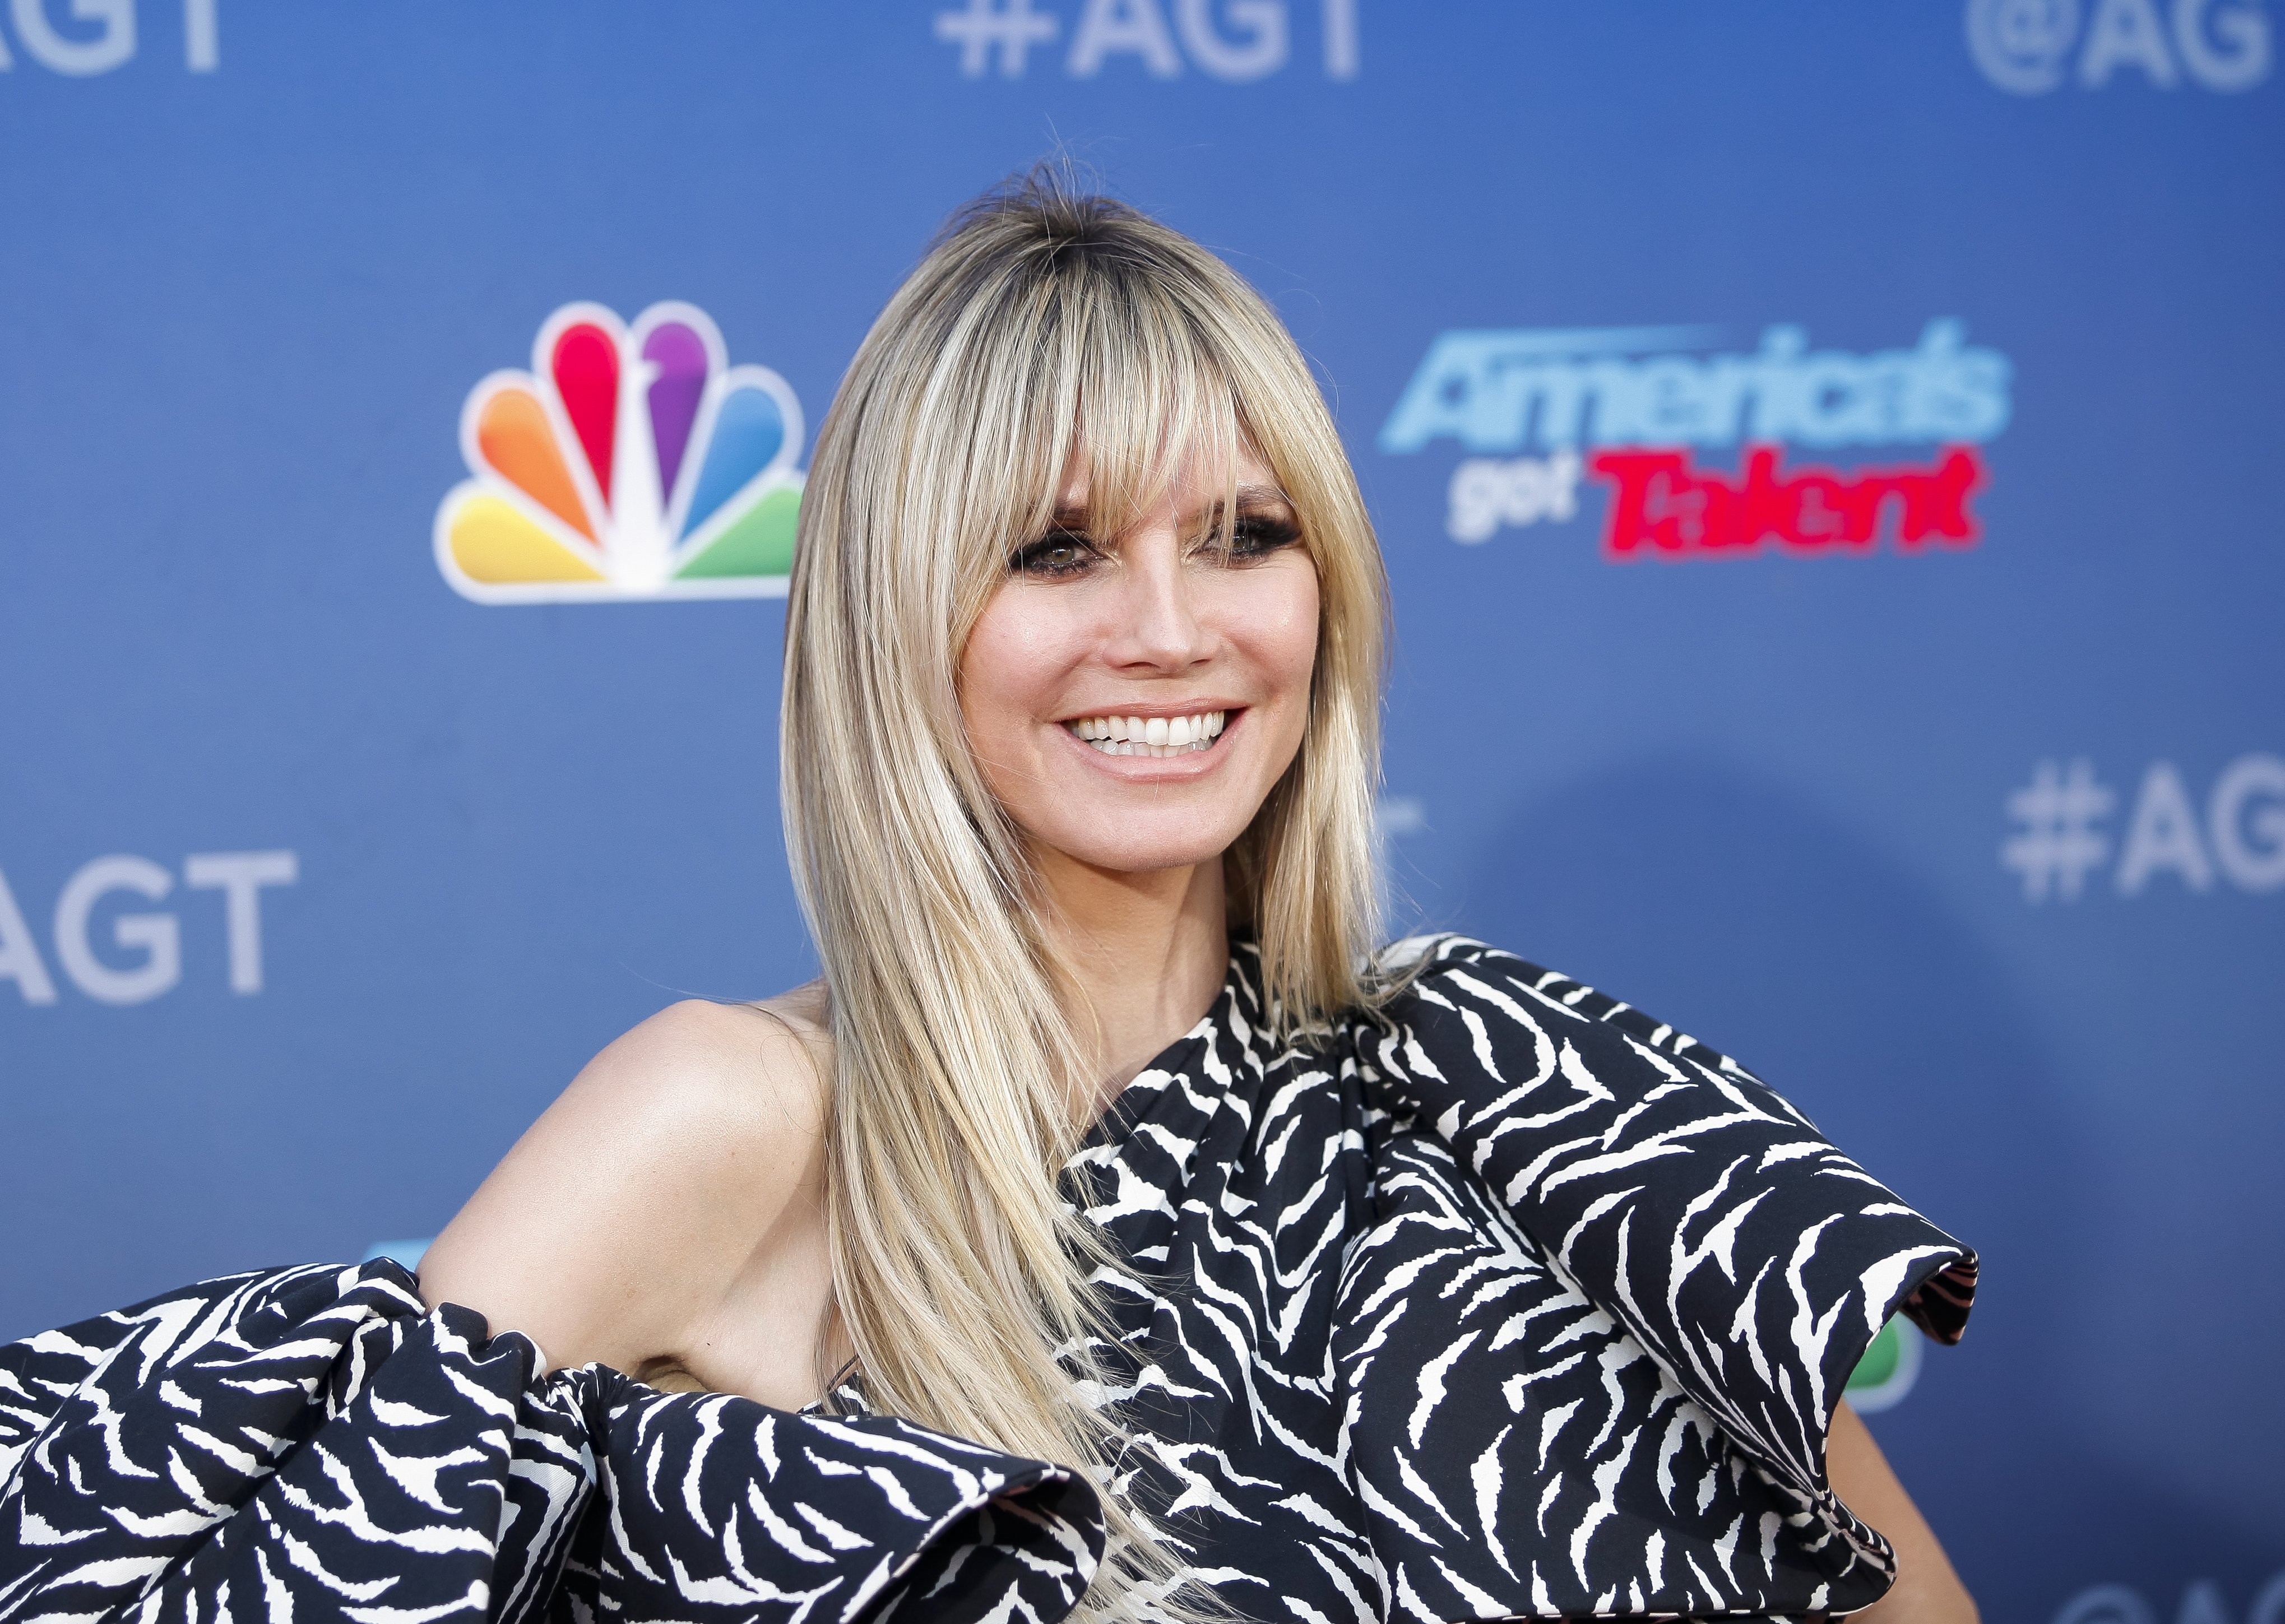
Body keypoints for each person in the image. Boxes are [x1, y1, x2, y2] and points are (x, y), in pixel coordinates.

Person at [0, 171, 1980, 1624]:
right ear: (896, 623)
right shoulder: (736, 1124)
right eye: (1057, 551)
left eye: (1245, 536)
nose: (1175, 630)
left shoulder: (1498, 1084)